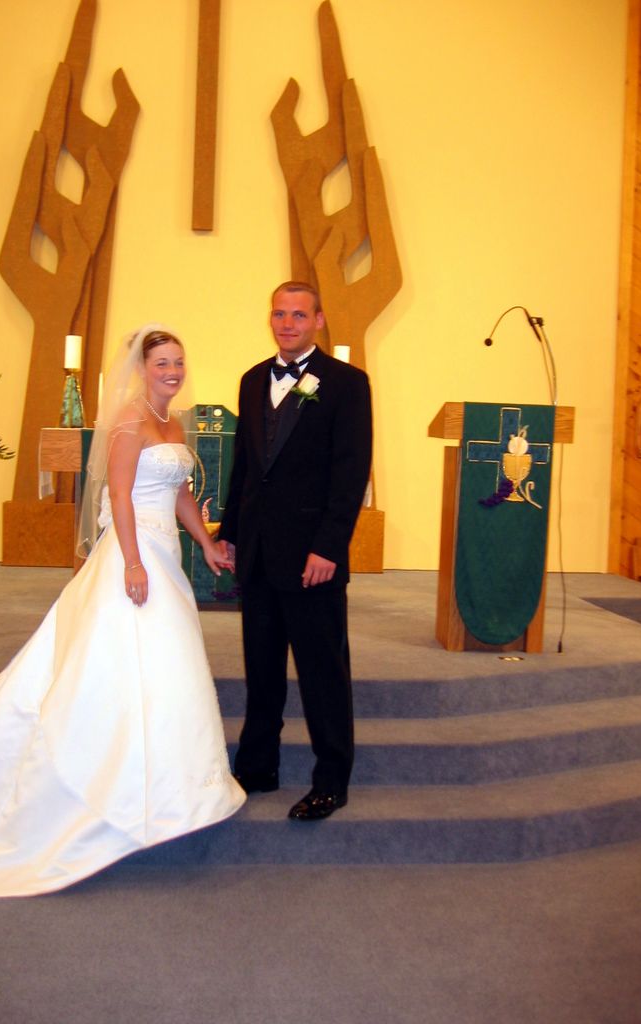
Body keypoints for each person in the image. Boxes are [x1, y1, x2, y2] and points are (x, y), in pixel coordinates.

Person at [0, 325, 245, 897]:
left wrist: (203, 541)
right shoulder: (128, 420)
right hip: (135, 553)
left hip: (166, 556)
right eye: (161, 363)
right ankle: (108, 783)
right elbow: (120, 495)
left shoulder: (175, 423)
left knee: (168, 667)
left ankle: (174, 783)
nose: (172, 371)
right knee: (123, 662)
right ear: (142, 368)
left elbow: (177, 491)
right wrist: (131, 562)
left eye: (178, 361)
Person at [217, 282, 372, 820]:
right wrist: (231, 531)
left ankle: (332, 780)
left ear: (319, 321)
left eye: (298, 315)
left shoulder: (348, 384)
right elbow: (245, 466)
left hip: (313, 556)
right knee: (261, 669)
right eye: (279, 313)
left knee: (322, 672)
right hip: (259, 551)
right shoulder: (253, 379)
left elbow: (351, 473)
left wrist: (329, 546)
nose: (287, 323)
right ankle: (257, 767)